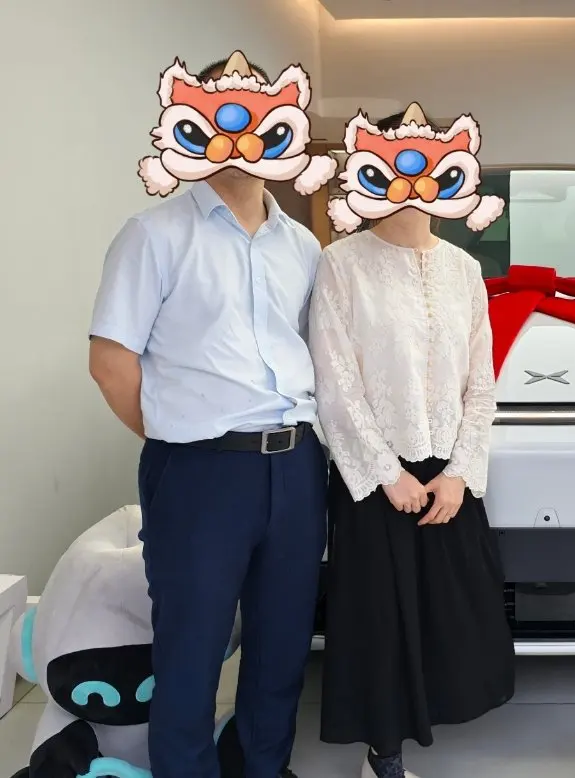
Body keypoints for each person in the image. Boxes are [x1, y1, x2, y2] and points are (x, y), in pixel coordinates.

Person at [88, 55, 327, 778]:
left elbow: (312, 348)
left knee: (282, 647)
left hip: (296, 465)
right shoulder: (153, 234)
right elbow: (111, 362)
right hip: (199, 471)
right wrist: (182, 433)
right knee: (190, 653)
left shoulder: (304, 246)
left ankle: (263, 767)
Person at [309, 107, 516, 778]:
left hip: (448, 474)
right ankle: (384, 754)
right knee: (378, 620)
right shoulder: (341, 264)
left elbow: (481, 382)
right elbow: (335, 379)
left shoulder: (464, 270)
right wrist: (383, 471)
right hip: (377, 474)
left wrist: (460, 471)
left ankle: (430, 721)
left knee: (447, 613)